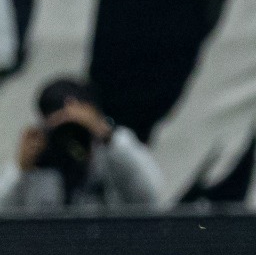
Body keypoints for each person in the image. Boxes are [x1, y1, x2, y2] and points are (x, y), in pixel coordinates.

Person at [0, 78, 162, 211]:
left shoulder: (114, 149)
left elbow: (151, 195)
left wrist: (106, 136)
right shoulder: (40, 161)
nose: (71, 137)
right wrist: (21, 169)